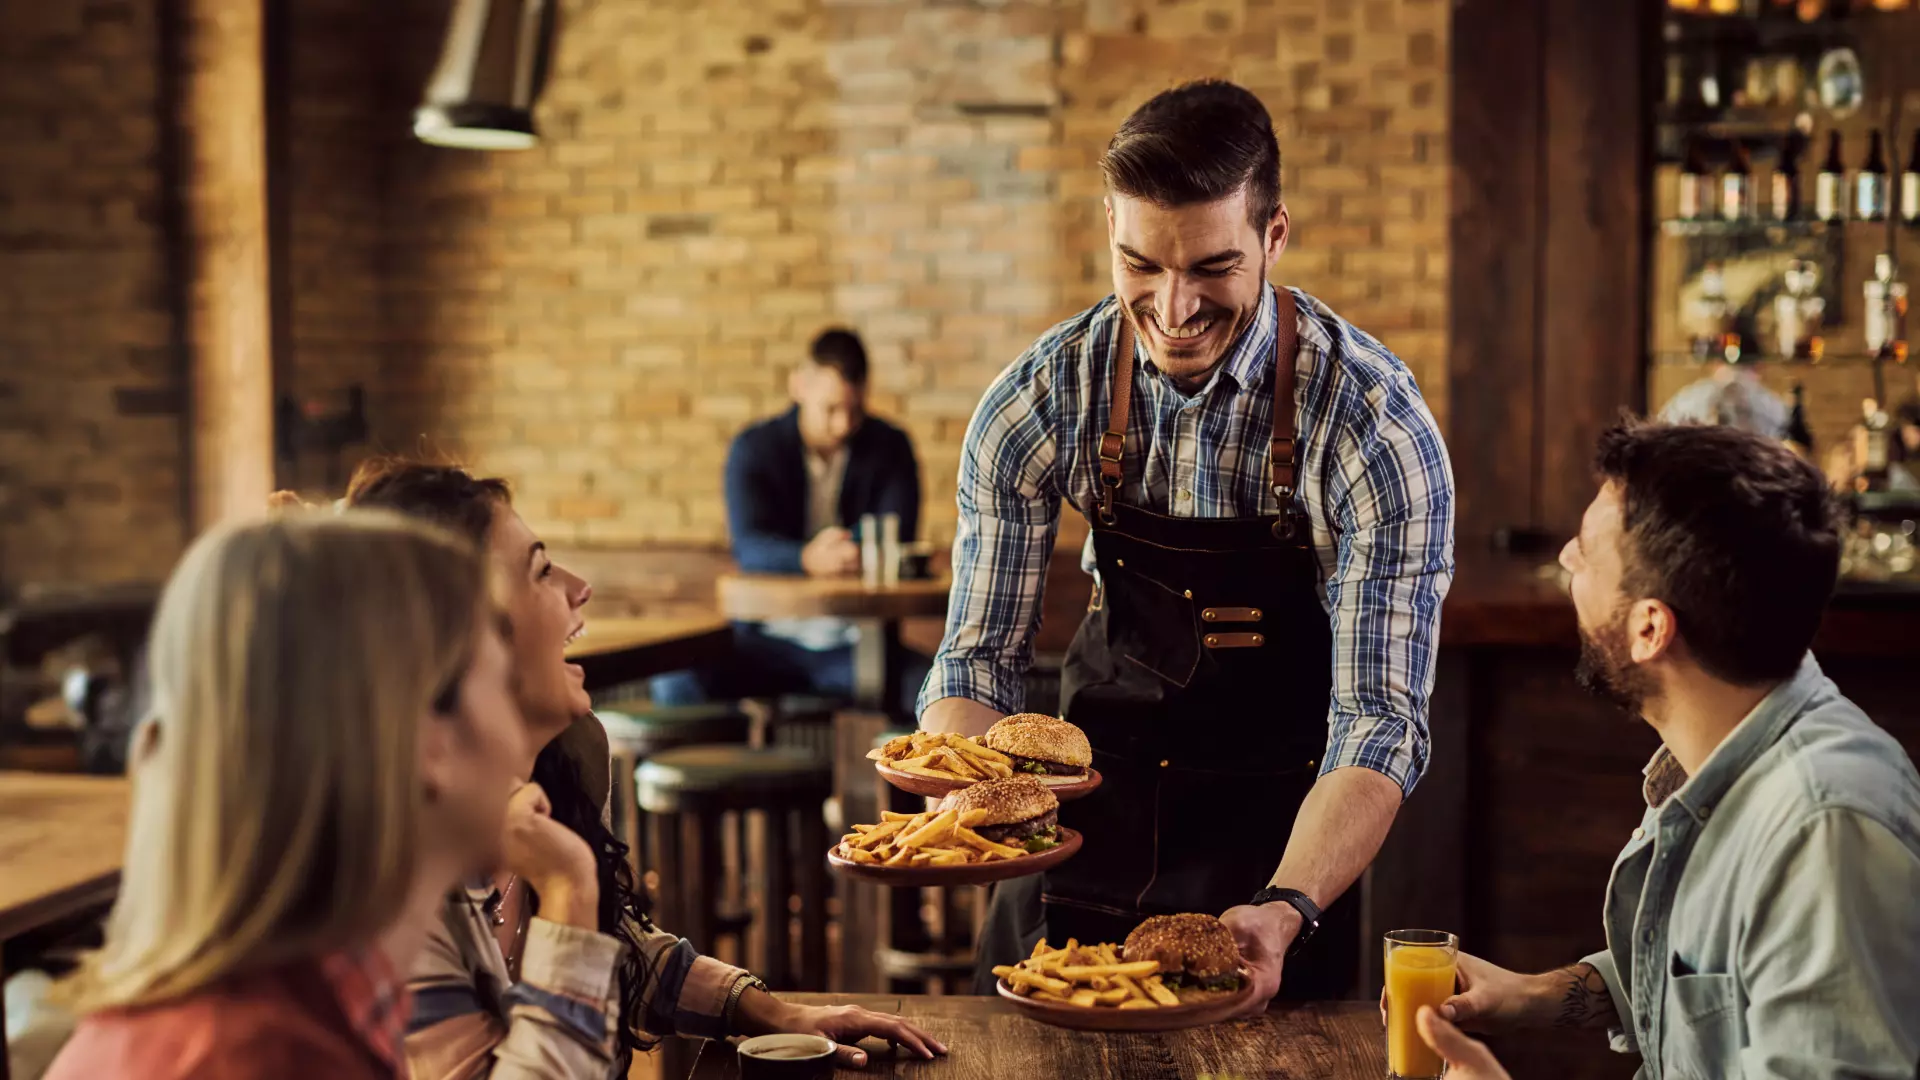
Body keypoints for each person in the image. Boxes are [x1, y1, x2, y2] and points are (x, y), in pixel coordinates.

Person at [921, 79, 1455, 1003]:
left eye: (1211, 267)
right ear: (1110, 232)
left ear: (1273, 236)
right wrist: (977, 815)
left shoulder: (1373, 423)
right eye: (1141, 266)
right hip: (1086, 837)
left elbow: (1381, 720)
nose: (1173, 308)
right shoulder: (1043, 399)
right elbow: (975, 665)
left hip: (1283, 860)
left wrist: (1288, 905)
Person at [343, 461, 943, 1077]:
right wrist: (571, 887)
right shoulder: (387, 892)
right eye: (542, 571)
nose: (580, 588)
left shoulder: (563, 764)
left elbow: (617, 947)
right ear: (459, 639)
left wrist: (773, 1013)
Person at [1427, 420, 1920, 1078]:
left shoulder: (1823, 834)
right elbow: (1712, 979)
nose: (1568, 559)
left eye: (1588, 553)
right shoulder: (1729, 752)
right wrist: (1533, 996)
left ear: (1650, 627)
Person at [47, 513, 527, 1079]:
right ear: (428, 740)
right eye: (505, 684)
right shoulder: (273, 1062)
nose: (520, 733)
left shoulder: (243, 1015)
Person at [649, 327, 929, 714]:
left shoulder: (890, 446)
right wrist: (807, 559)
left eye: (855, 410)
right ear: (799, 387)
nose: (844, 424)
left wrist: (852, 552)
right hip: (765, 640)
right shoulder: (755, 447)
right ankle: (742, 771)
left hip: (857, 644)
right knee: (675, 681)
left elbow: (896, 534)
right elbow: (749, 546)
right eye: (831, 409)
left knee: (935, 690)